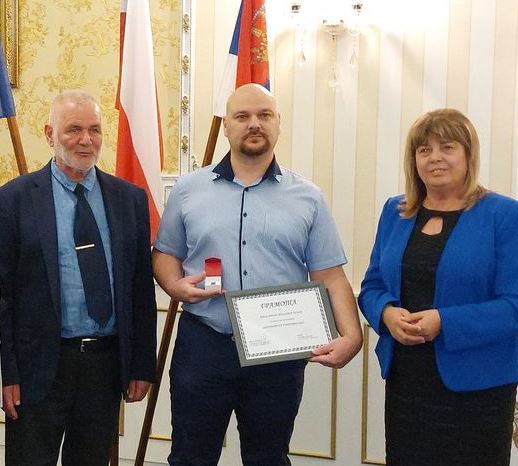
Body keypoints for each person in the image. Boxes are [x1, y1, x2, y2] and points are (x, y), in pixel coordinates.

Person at [153, 83, 363, 466]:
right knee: (189, 457)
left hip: (277, 350)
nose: (254, 124)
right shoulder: (187, 190)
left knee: (268, 458)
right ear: (227, 126)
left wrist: (352, 336)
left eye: (264, 115)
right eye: (242, 116)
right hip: (204, 344)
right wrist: (174, 285)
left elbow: (330, 275)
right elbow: (165, 253)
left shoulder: (308, 197)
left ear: (278, 123)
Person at [0, 90, 157, 466]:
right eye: (73, 130)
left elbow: (140, 289)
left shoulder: (129, 200)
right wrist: (8, 373)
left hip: (104, 367)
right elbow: (3, 295)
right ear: (50, 134)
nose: (86, 140)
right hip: (38, 369)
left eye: (94, 130)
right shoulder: (13, 200)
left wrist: (141, 365)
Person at [359, 108, 518, 466]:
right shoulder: (395, 211)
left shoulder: (505, 215)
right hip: (407, 385)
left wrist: (443, 322)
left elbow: (513, 305)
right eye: (424, 149)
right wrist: (386, 313)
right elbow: (372, 286)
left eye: (447, 147)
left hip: (480, 389)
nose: (434, 158)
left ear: (468, 155)